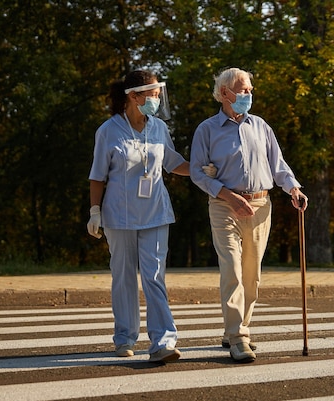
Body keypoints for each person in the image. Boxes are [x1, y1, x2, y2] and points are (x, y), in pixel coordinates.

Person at [190, 67, 308, 363]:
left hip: (260, 205)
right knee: (231, 270)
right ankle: (239, 337)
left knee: (251, 276)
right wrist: (228, 195)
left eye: (250, 89)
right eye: (243, 89)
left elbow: (277, 164)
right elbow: (196, 172)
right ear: (225, 93)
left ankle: (237, 328)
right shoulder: (207, 129)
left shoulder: (261, 126)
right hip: (223, 206)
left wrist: (293, 189)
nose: (249, 94)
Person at [86, 69, 188, 363]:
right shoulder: (108, 130)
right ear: (134, 97)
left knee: (154, 276)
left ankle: (163, 341)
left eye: (158, 95)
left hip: (156, 213)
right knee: (123, 277)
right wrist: (95, 212)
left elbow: (173, 163)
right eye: (153, 95)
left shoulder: (159, 129)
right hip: (119, 216)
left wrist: (200, 169)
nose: (157, 100)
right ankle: (125, 336)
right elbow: (97, 176)